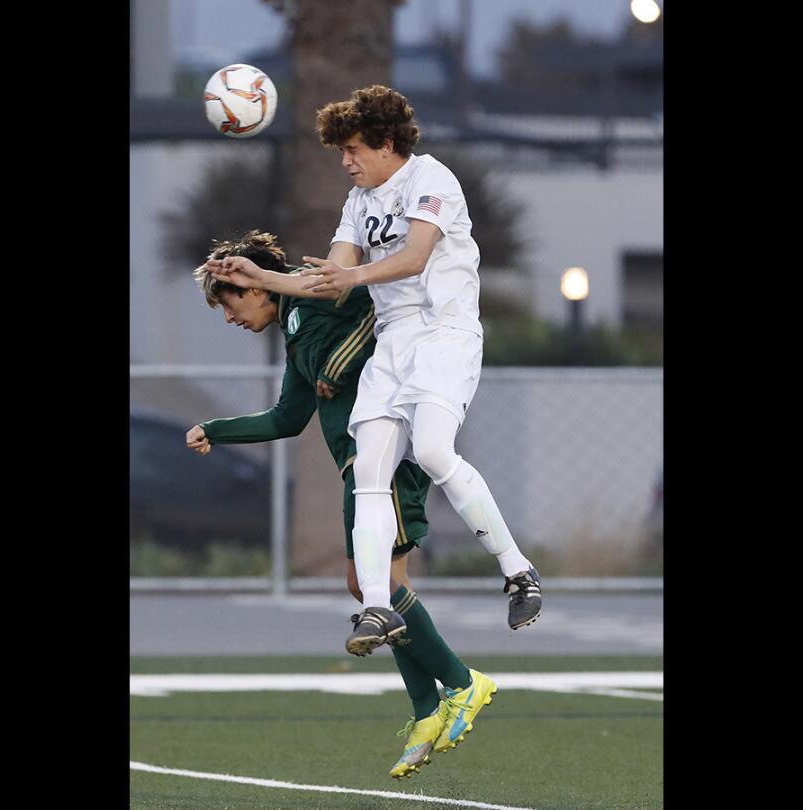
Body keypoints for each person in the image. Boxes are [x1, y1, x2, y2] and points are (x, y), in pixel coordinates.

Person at [206, 86, 542, 668]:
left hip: (444, 331)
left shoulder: (432, 179)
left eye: (354, 149)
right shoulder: (357, 202)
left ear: (387, 144)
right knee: (369, 470)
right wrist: (261, 274)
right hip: (394, 340)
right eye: (340, 152)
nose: (346, 161)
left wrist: (352, 277)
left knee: (435, 451)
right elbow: (328, 279)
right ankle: (378, 607)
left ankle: (518, 572)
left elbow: (412, 259)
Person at [186, 230, 494, 778]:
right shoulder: (297, 334)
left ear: (255, 285)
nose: (229, 317)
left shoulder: (315, 292)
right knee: (372, 586)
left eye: (230, 301)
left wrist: (338, 367)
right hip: (359, 469)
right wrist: (216, 429)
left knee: (376, 585)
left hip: (388, 456)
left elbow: (375, 311)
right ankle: (426, 709)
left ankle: (463, 685)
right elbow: (286, 417)